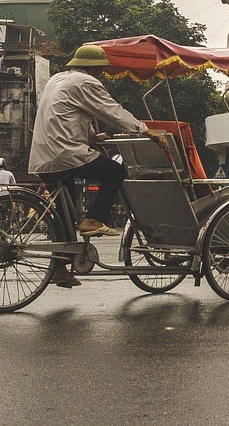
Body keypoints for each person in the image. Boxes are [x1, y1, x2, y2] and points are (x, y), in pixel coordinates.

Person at [29, 44, 166, 287]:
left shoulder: (58, 80)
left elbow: (67, 114)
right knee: (115, 172)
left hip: (44, 155)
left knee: (64, 216)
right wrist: (145, 130)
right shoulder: (87, 82)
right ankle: (93, 220)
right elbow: (111, 111)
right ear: (96, 69)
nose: (102, 74)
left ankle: (59, 269)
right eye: (101, 70)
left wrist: (92, 136)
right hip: (65, 152)